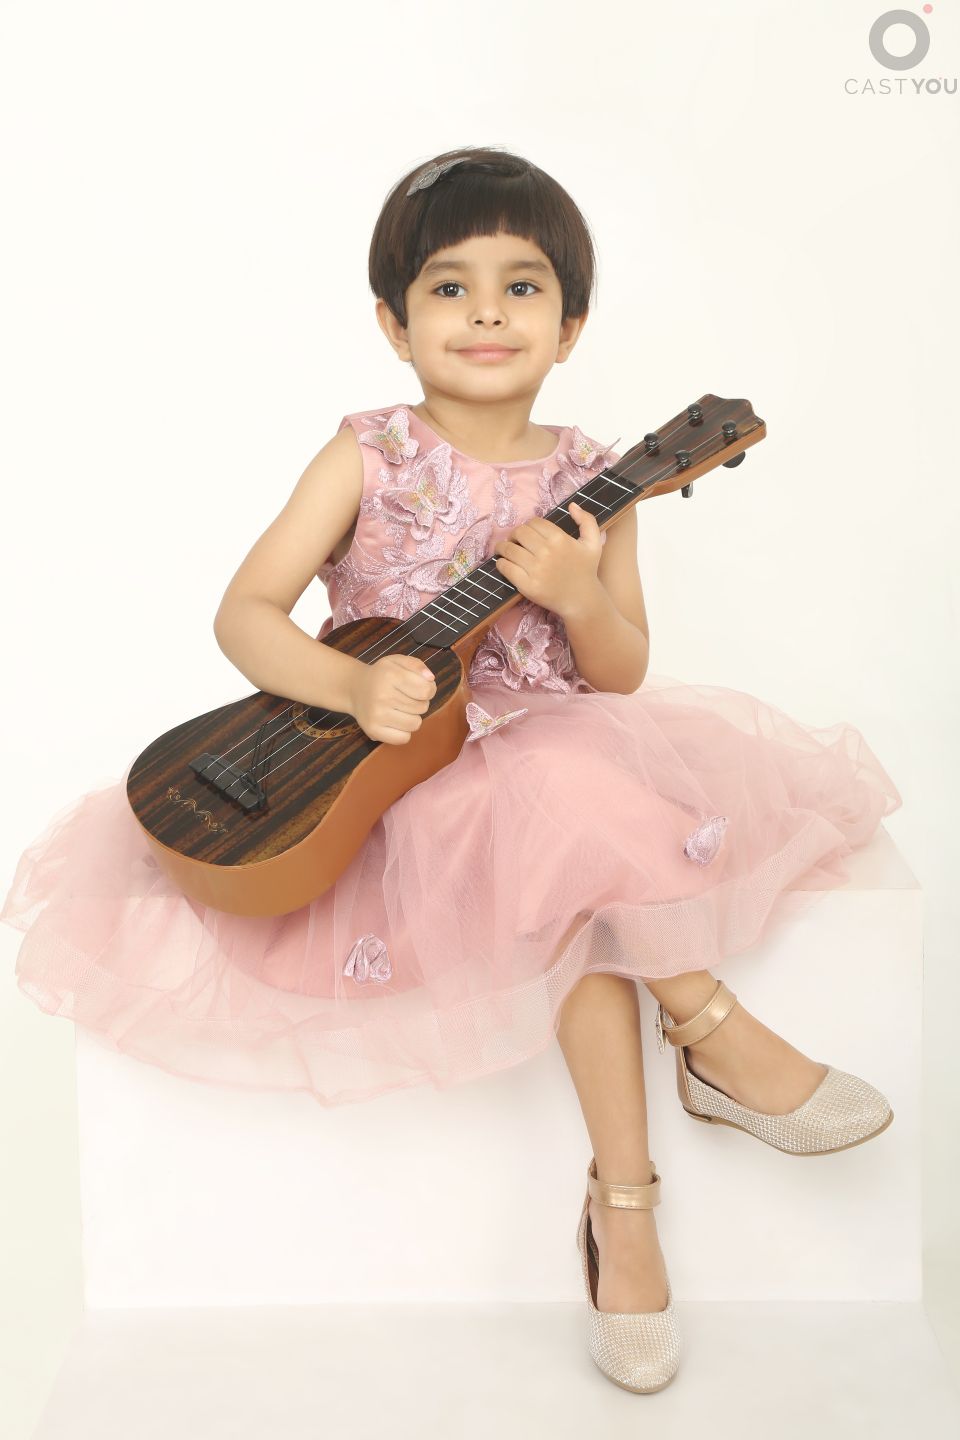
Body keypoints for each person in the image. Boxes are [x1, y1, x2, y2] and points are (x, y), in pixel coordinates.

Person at [1, 145, 903, 1393]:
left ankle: (626, 1208)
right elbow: (246, 613)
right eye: (449, 287)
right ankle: (712, 1045)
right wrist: (351, 687)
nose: (487, 311)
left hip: (551, 751)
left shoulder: (596, 481)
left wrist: (580, 592)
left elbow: (621, 675)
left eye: (523, 286)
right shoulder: (368, 453)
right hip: (387, 779)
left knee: (564, 825)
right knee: (559, 831)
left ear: (570, 328)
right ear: (394, 322)